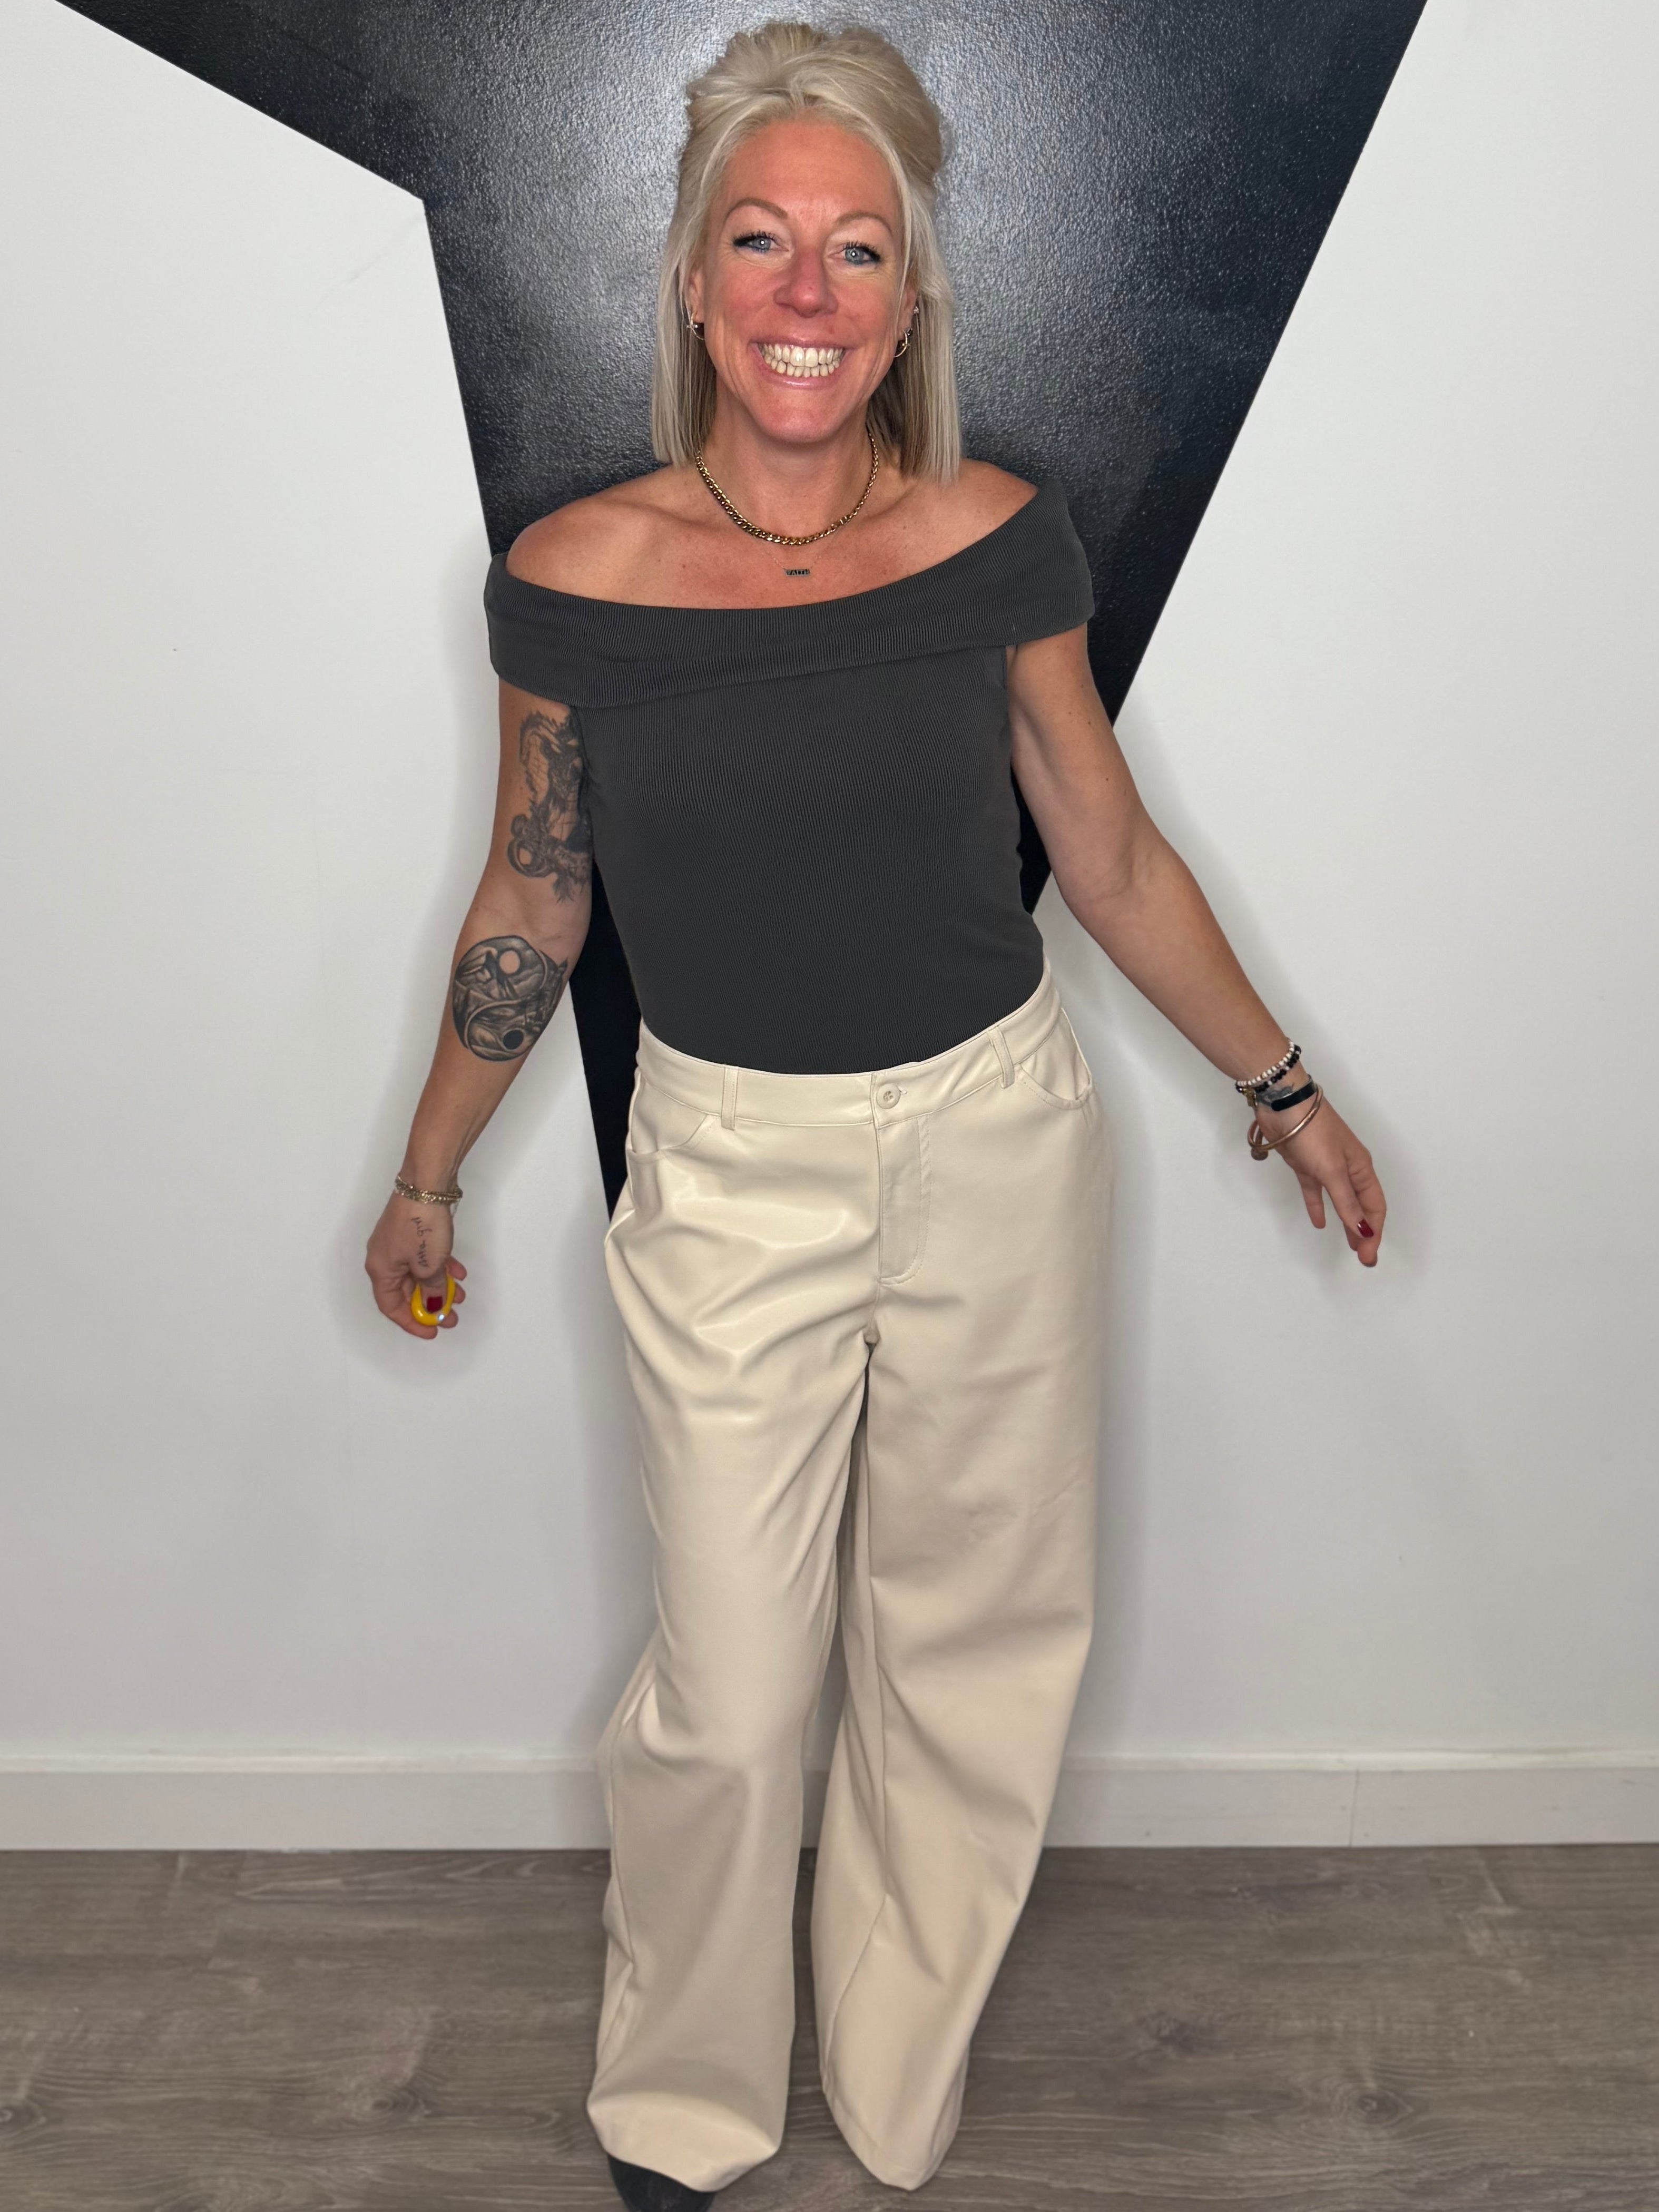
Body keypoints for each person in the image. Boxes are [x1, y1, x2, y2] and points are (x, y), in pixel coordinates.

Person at [364, 19, 1386, 2209]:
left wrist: (1281, 1088)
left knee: (971, 1640)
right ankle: (687, 2104)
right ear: (690, 279)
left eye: (853, 250)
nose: (805, 296)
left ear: (908, 293)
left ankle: (897, 2074)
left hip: (998, 1138)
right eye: (760, 243)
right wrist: (429, 1165)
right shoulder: (577, 581)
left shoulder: (1000, 540)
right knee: (729, 1694)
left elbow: (1103, 859)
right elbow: (537, 885)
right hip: (728, 1169)